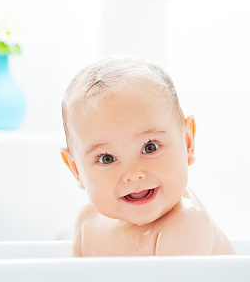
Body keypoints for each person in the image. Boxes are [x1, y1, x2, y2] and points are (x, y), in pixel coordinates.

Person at [60, 55, 235, 256]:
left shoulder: (185, 225)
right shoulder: (88, 222)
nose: (133, 173)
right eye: (106, 158)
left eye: (150, 147)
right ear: (76, 170)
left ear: (187, 143)